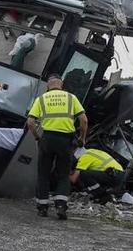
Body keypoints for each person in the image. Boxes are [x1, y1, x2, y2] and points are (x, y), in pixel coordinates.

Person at [26, 75, 88, 220]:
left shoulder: (41, 99)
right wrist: (82, 138)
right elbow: (84, 120)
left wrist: (36, 137)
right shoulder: (71, 98)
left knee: (43, 173)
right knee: (63, 173)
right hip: (65, 140)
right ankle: (61, 206)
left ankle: (42, 207)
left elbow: (30, 122)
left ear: (48, 86)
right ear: (62, 85)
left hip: (47, 139)